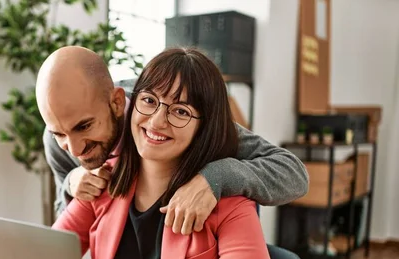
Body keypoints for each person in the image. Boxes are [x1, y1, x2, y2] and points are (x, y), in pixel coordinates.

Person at [51, 47, 287, 259]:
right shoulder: (105, 180)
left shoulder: (226, 199)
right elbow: (48, 256)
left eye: (180, 111)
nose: (157, 121)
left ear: (204, 126)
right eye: (149, 101)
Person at [38, 46, 308, 234]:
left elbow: (294, 173)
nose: (74, 148)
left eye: (85, 126)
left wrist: (216, 176)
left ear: (118, 102)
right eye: (59, 133)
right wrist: (71, 184)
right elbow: (67, 227)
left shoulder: (181, 117)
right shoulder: (58, 143)